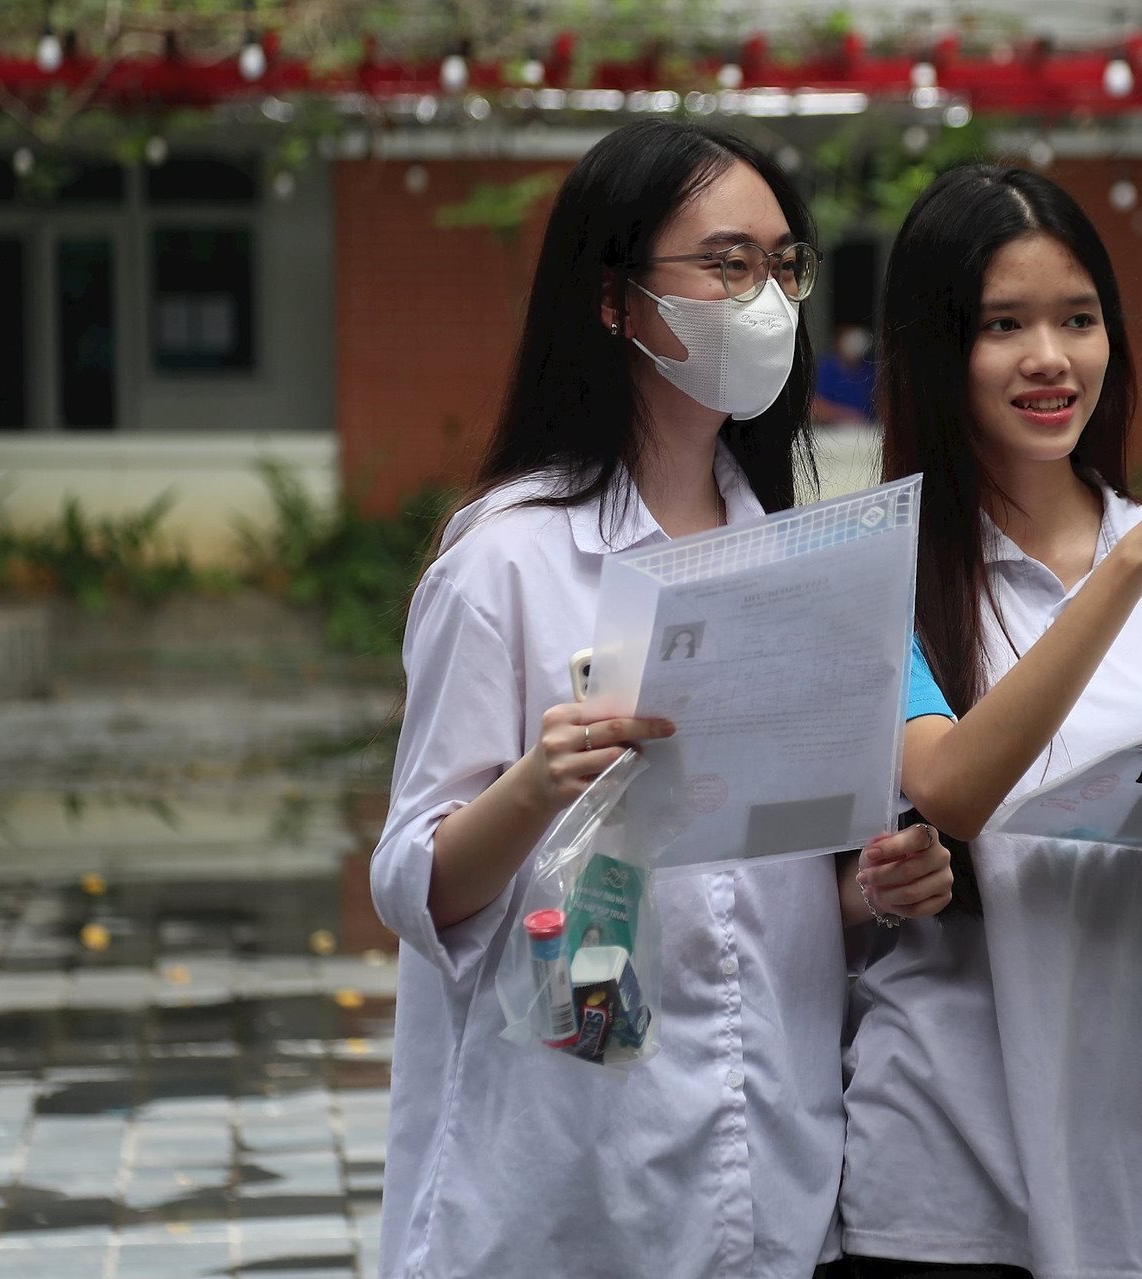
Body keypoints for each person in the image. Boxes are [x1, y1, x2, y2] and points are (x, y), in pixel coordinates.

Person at [369, 119, 951, 1279]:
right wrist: (539, 784)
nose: (768, 299)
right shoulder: (507, 564)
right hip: (563, 1178)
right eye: (726, 264)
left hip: (766, 1169)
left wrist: (875, 887)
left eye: (785, 266)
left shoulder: (798, 557)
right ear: (616, 300)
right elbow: (415, 884)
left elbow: (775, 883)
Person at [838, 165, 1142, 1279]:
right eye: (1004, 324)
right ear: (935, 348)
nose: (1050, 357)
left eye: (1078, 318)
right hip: (951, 1162)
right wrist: (1136, 553)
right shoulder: (877, 576)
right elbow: (951, 785)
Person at [814, 323, 878, 423]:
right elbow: (814, 406)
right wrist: (846, 415)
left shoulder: (870, 371)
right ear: (838, 341)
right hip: (831, 430)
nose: (854, 344)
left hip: (866, 430)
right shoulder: (826, 369)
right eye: (850, 340)